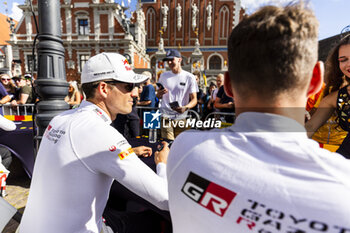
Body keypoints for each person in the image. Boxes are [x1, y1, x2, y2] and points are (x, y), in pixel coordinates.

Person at [164, 4, 350, 232]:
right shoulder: (343, 187)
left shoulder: (185, 148)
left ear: (229, 85)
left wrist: (161, 167)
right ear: (315, 81)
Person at [20, 53, 169, 233]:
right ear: (104, 89)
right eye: (129, 86)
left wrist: (129, 152)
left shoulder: (60, 118)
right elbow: (165, 199)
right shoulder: (101, 133)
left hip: (31, 228)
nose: (135, 93)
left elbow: (83, 155)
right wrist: (162, 164)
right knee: (152, 221)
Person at [306, 34, 350, 158]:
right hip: (344, 165)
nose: (348, 64)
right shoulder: (336, 98)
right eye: (343, 59)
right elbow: (310, 126)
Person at [157, 49, 198, 140]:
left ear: (179, 60)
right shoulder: (163, 76)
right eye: (168, 60)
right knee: (168, 143)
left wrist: (186, 107)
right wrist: (159, 94)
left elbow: (194, 99)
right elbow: (158, 96)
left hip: (182, 118)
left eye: (172, 60)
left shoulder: (189, 77)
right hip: (166, 116)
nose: (170, 62)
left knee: (181, 144)